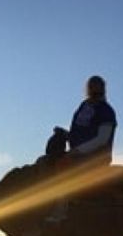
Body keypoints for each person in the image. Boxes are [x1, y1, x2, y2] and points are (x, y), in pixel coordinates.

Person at [46, 75, 118, 221]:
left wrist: (77, 151)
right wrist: (65, 135)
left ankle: (61, 210)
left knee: (64, 168)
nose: (93, 89)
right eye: (91, 86)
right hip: (77, 153)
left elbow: (102, 139)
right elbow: (78, 132)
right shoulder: (84, 106)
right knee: (46, 162)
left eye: (97, 86)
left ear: (102, 89)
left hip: (94, 158)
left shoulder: (106, 111)